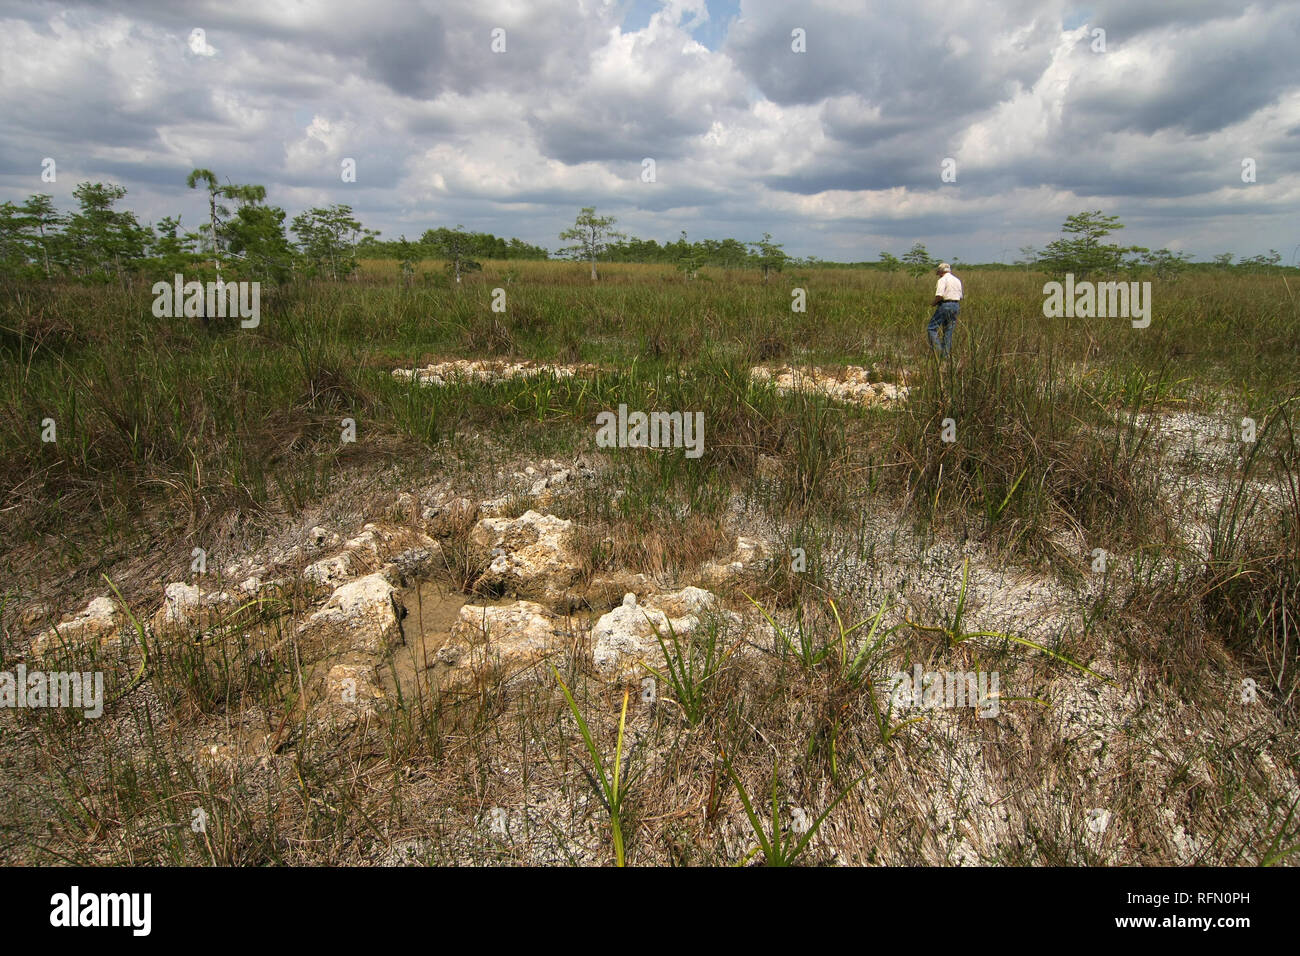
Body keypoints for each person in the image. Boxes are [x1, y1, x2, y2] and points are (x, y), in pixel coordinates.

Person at [927, 262, 963, 357]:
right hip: (956, 305)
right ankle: (946, 356)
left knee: (931, 328)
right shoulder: (957, 280)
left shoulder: (942, 280)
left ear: (940, 271)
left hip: (945, 305)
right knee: (948, 331)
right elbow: (960, 296)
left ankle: (939, 351)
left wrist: (933, 303)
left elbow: (939, 295)